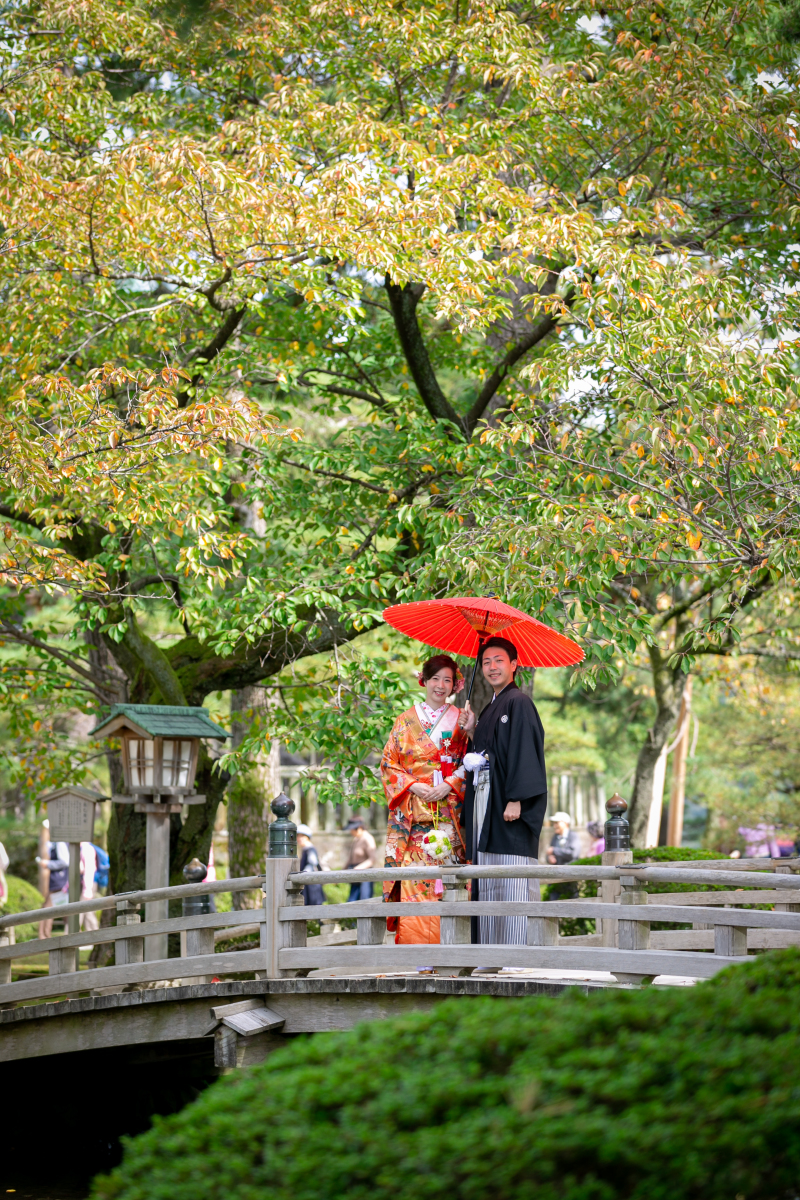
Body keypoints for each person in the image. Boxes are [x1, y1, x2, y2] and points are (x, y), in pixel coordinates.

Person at [458, 636, 547, 945]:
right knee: (489, 875)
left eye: (499, 660)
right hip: (486, 803)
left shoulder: (518, 702)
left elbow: (524, 750)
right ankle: (490, 952)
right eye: (486, 662)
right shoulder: (492, 706)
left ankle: (516, 952)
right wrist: (473, 730)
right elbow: (486, 753)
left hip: (507, 806)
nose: (492, 667)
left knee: (510, 878)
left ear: (514, 664)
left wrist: (517, 798)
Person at [380, 654, 469, 944]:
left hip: (447, 819)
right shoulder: (405, 721)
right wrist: (414, 786)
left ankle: (450, 951)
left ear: (455, 684)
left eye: (447, 680)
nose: (441, 686)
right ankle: (418, 957)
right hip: (413, 822)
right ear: (424, 681)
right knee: (414, 887)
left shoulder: (461, 719)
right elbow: (388, 764)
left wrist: (450, 784)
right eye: (435, 679)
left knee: (448, 884)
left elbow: (469, 762)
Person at [36, 837, 70, 939]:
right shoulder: (53, 843)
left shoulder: (60, 842)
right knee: (64, 910)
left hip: (60, 882)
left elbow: (65, 861)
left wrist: (48, 864)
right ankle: (44, 936)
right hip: (58, 882)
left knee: (47, 908)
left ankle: (44, 936)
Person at [344, 816, 377, 901]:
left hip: (365, 874)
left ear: (359, 828)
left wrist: (358, 868)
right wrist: (342, 871)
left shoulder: (368, 838)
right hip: (355, 875)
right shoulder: (356, 839)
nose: (350, 832)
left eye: (352, 829)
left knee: (364, 901)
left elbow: (372, 859)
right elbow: (350, 858)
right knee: (352, 901)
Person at [296, 824, 325, 906]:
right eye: (298, 836)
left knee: (314, 908)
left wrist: (302, 875)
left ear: (307, 837)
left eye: (301, 836)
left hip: (312, 886)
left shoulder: (310, 849)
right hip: (308, 884)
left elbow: (312, 863)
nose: (299, 839)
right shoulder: (305, 849)